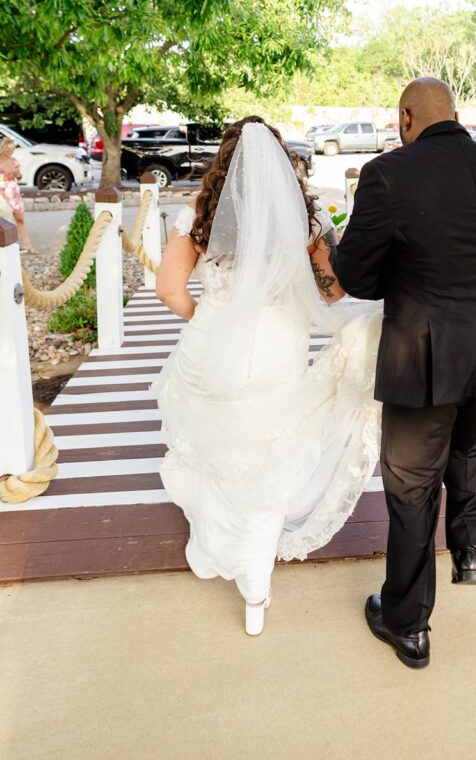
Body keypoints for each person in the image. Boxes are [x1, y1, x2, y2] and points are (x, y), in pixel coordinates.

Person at [333, 78, 476, 669]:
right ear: (457, 113)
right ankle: (468, 549)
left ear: (405, 118)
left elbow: (360, 278)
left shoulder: (389, 174)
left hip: (424, 355)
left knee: (410, 486)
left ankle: (407, 623)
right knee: (466, 441)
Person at [155, 117, 382, 637]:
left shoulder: (199, 213)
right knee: (266, 458)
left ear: (223, 164)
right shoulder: (303, 215)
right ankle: (255, 588)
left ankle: (213, 546)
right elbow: (332, 292)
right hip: (278, 346)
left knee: (215, 448)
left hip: (212, 343)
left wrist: (207, 318)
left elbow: (169, 289)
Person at [0, 136, 36, 252]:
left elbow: (20, 176)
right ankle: (10, 244)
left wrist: (17, 175)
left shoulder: (14, 161)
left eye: (12, 149)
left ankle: (28, 245)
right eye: (8, 149)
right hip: (2, 191)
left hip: (13, 191)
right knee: (6, 218)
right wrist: (3, 177)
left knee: (20, 219)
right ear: (3, 148)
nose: (11, 151)